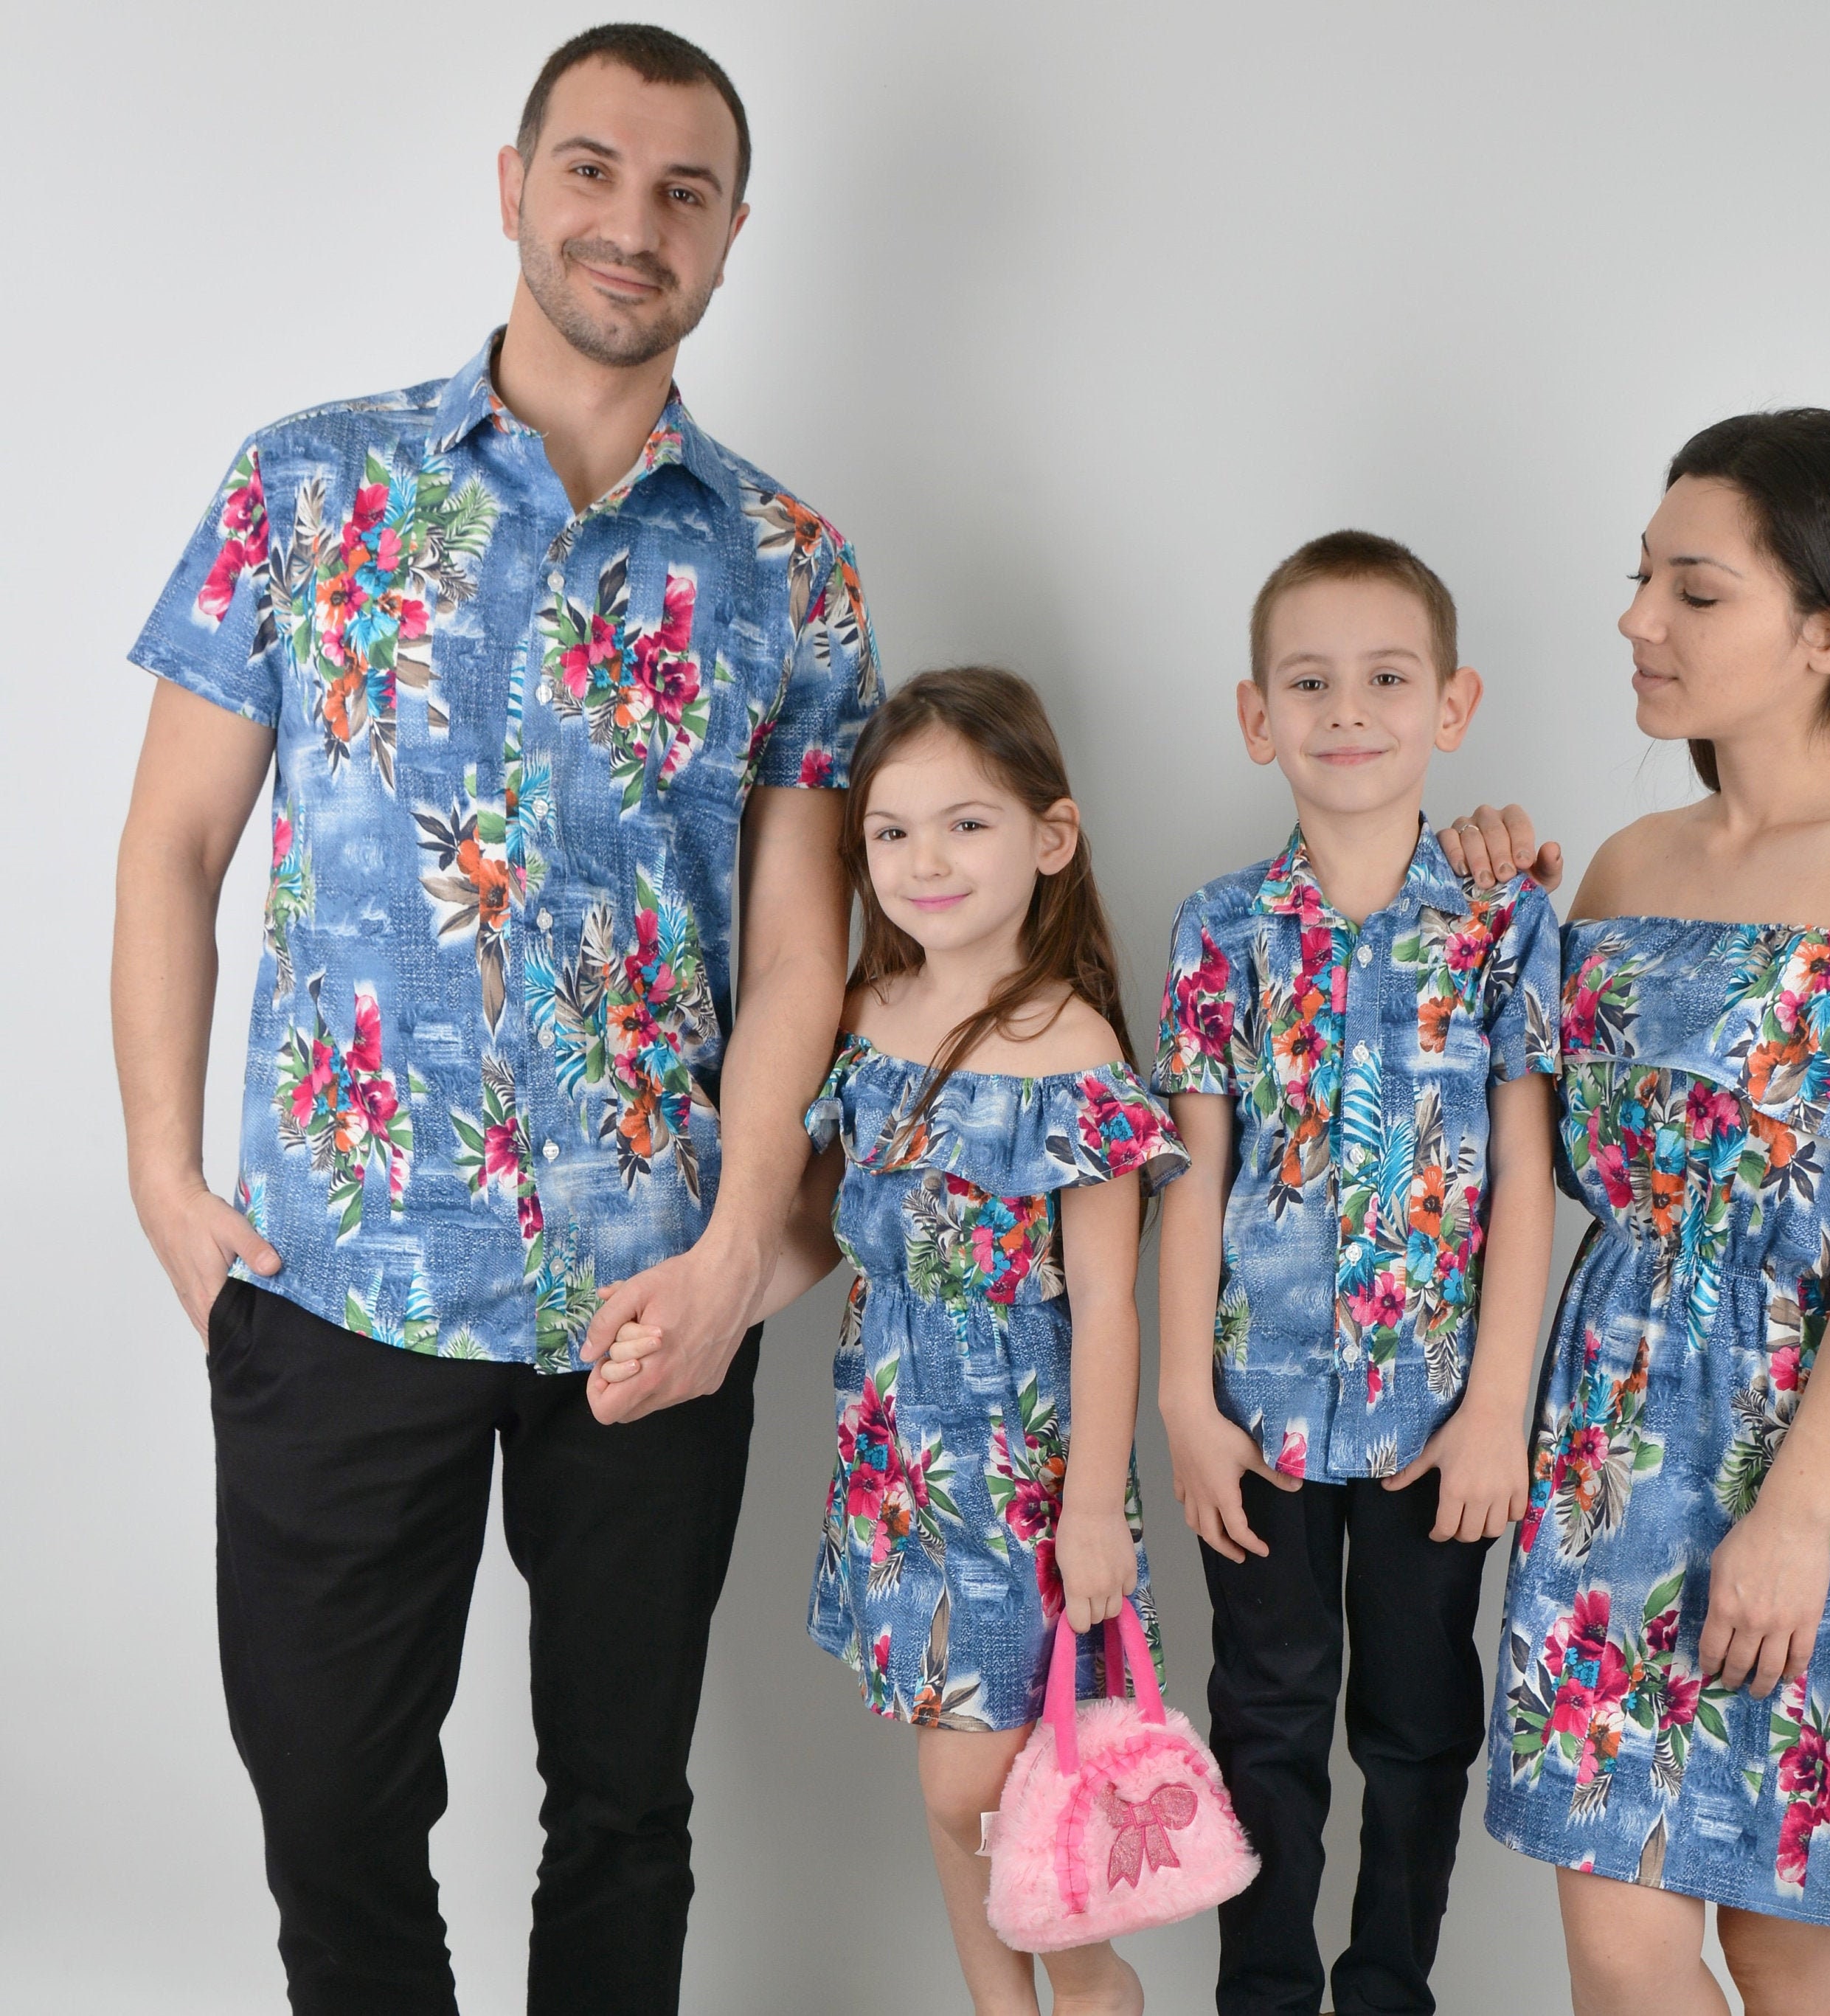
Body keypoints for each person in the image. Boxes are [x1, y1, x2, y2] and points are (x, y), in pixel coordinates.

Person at [109, 25, 876, 2014]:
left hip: (653, 1288)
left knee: (621, 1801)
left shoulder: (791, 566)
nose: (634, 222)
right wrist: (165, 1176)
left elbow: (803, 949)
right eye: (597, 169)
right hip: (339, 1271)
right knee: (331, 1803)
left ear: (727, 238)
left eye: (684, 192)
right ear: (517, 182)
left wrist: (734, 1255)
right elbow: (175, 844)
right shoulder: (307, 485)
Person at [1482, 411, 1830, 2016]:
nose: (1637, 618)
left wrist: (1793, 1519)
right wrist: (1479, 900)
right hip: (1605, 1439)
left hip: (1812, 1443)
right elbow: (1538, 1159)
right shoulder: (1627, 866)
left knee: (1794, 1944)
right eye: (1641, 579)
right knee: (1621, 1947)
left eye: (1693, 589)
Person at [609, 668, 1185, 2012]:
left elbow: (1107, 1299)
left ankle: (1092, 1986)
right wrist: (706, 1316)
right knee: (953, 1765)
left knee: (982, 1776)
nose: (925, 861)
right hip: (897, 1465)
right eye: (892, 830)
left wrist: (1093, 1506)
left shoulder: (1071, 1047)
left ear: (1051, 839)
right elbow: (818, 1233)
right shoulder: (864, 1022)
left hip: (1023, 1469)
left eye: (967, 825)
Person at [1151, 532, 1563, 2016]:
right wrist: (1184, 1404)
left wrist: (1498, 1405)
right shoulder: (1218, 930)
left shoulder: (1505, 923)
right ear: (1257, 716)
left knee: (1414, 1718)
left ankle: (1389, 1987)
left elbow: (1526, 1175)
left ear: (1450, 706)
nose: (1348, 708)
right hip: (1258, 1411)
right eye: (1308, 680)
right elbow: (1189, 1179)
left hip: (1434, 1417)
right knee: (1263, 1717)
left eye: (1387, 677)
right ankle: (1260, 1994)